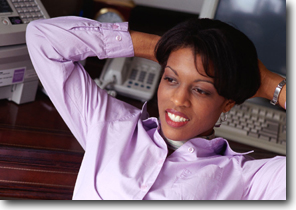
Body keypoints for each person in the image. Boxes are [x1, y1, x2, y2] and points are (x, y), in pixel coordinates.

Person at [26, 16, 286, 200]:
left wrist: (268, 84)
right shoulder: (109, 125)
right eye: (171, 78)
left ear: (228, 102)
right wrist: (161, 48)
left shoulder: (246, 180)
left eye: (200, 90)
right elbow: (42, 38)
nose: (178, 100)